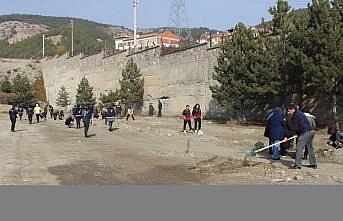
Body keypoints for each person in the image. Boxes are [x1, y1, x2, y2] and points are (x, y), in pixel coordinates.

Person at [286, 104, 317, 169]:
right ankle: (313, 164)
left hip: (305, 133)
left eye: (289, 111)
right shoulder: (300, 113)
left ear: (293, 109)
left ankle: (297, 165)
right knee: (310, 148)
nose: (288, 113)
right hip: (311, 131)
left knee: (299, 148)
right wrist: (298, 133)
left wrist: (287, 137)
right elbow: (301, 125)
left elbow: (293, 128)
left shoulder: (295, 116)